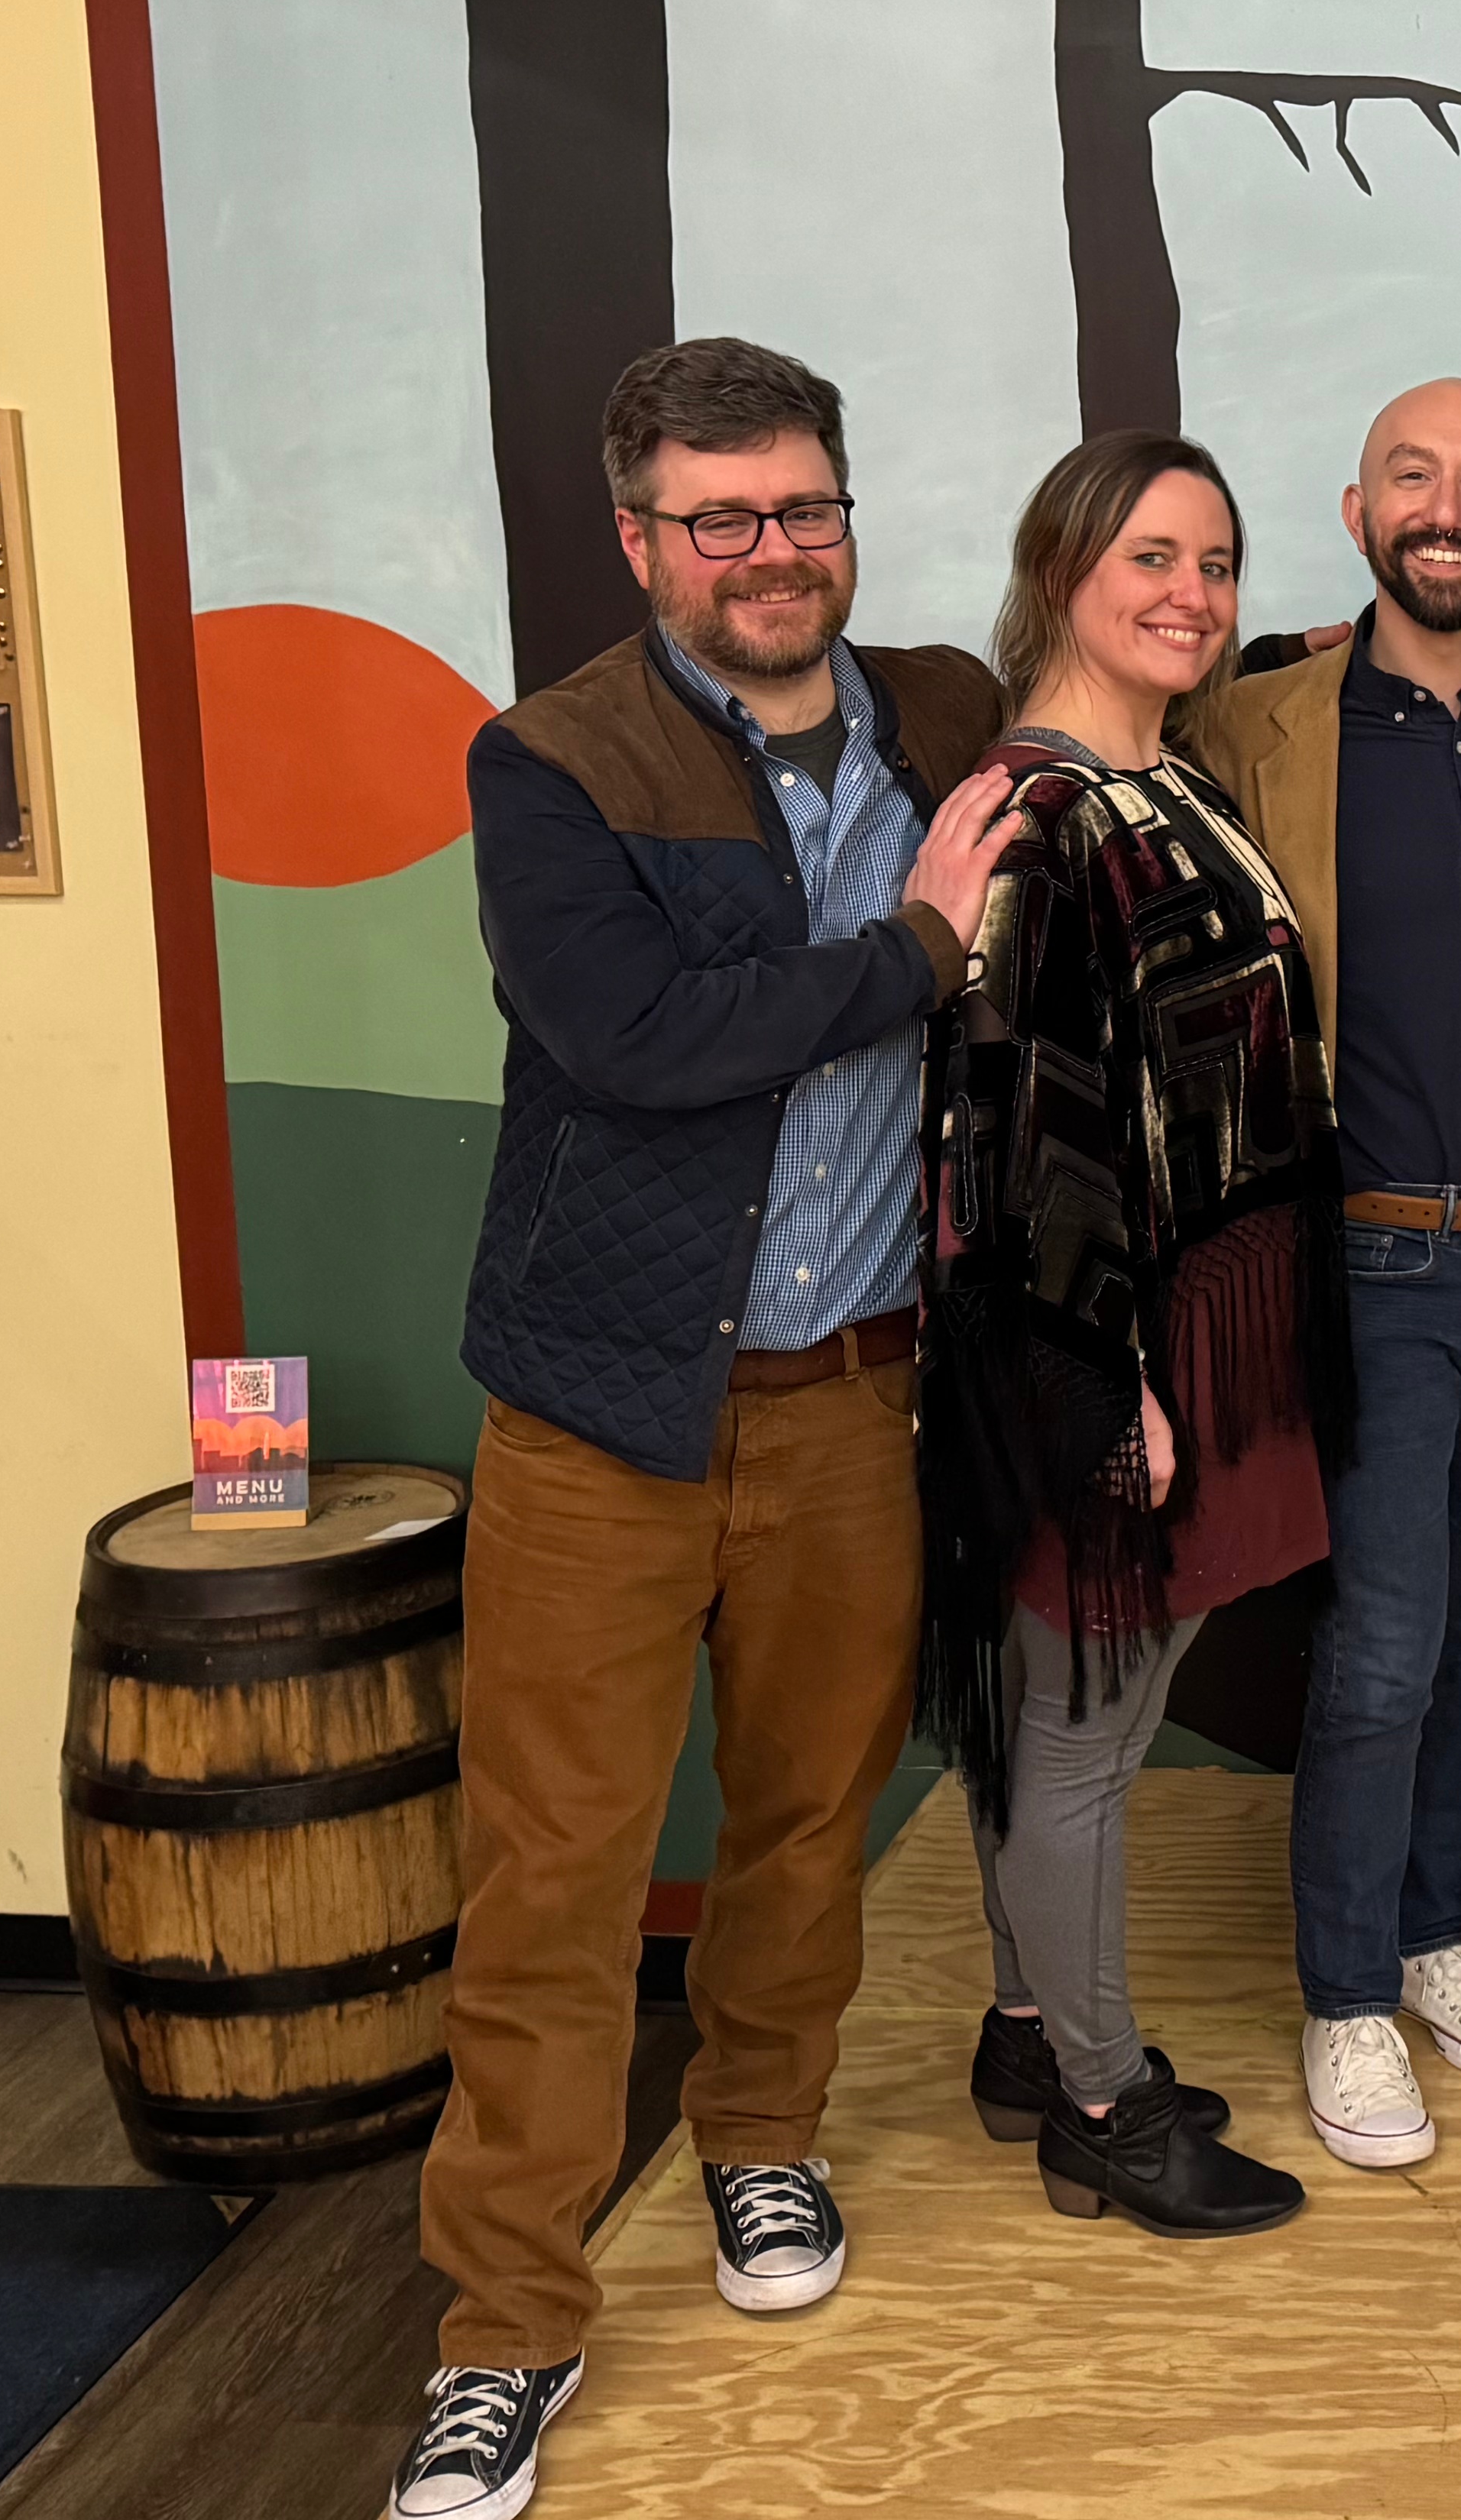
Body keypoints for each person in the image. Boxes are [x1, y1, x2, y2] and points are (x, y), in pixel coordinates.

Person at [397, 338, 1015, 2520]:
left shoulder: (939, 713)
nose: (776, 551)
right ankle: (505, 2322)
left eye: (808, 507)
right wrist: (921, 948)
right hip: (599, 1409)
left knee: (803, 1819)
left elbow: (1143, 671)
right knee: (553, 1873)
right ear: (643, 538)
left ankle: (759, 2140)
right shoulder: (551, 759)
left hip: (853, 1397)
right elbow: (639, 1036)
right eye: (726, 517)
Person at [918, 430, 1346, 2239]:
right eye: (1152, 559)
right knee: (1085, 1731)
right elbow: (1019, 1137)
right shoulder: (1038, 813)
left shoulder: (1167, 773)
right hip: (1106, 1334)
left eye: (1217, 562)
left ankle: (1031, 2030)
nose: (1192, 593)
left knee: (1085, 1712)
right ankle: (1102, 2102)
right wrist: (1113, 1386)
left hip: (1202, 1306)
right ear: (1062, 570)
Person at [1180, 380, 1461, 2171]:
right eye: (1416, 477)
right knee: (1382, 1650)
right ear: (1357, 509)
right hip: (1371, 1262)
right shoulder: (1250, 719)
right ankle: (1347, 1994)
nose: (1451, 508)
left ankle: (1431, 1926)